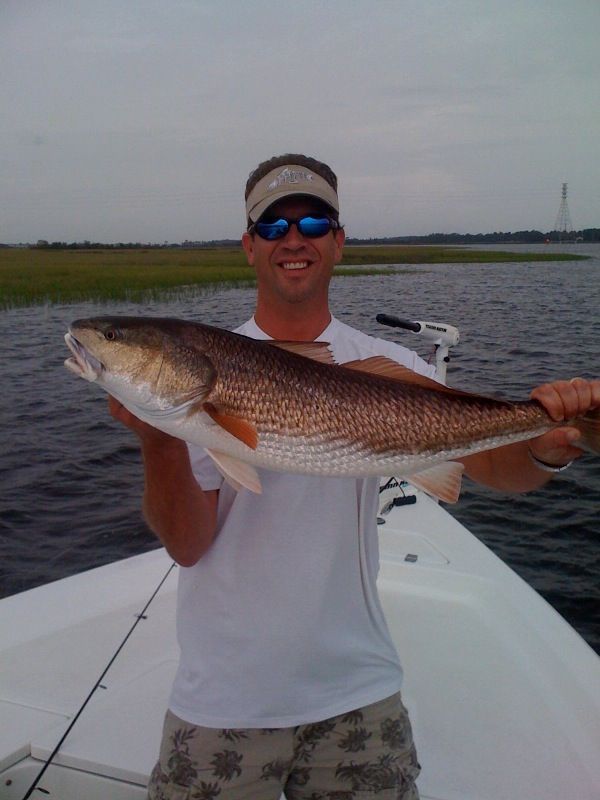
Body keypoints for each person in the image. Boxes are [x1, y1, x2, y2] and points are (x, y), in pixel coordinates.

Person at [109, 154, 600, 800]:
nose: (294, 239)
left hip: (358, 697)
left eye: (313, 221)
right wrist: (158, 439)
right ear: (249, 245)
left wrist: (556, 443)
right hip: (225, 702)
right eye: (273, 225)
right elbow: (189, 545)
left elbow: (488, 465)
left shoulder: (387, 365)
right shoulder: (205, 368)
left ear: (338, 242)